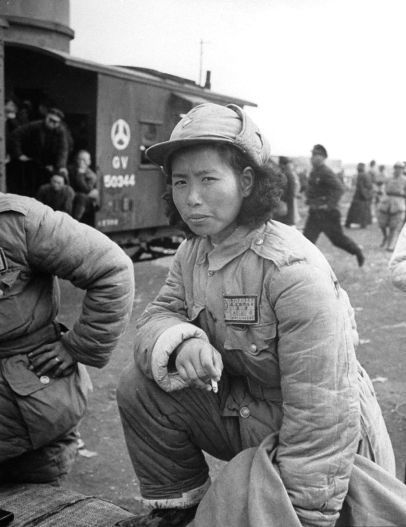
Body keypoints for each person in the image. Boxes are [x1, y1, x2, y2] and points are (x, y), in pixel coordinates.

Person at [116, 103, 395, 527]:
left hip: (330, 452)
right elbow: (159, 315)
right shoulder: (193, 251)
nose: (191, 197)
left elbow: (323, 415)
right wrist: (182, 342)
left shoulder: (292, 270)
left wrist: (301, 517)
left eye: (208, 179)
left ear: (246, 182)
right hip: (249, 414)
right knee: (140, 387)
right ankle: (178, 512)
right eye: (180, 181)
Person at [0, 193, 134, 483]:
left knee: (39, 500)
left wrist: (77, 346)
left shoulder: (18, 223)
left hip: (30, 413)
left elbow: (112, 269)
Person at [303, 144, 365, 267]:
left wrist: (328, 205)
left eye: (315, 155)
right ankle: (304, 267)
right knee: (306, 242)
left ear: (322, 157)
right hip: (315, 213)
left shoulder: (325, 172)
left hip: (328, 215)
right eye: (312, 155)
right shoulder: (315, 172)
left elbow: (339, 188)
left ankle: (357, 251)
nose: (312, 158)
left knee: (338, 240)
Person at [9, 108, 70, 197]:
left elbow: (63, 149)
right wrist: (19, 154)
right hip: (32, 161)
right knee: (28, 188)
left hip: (48, 164)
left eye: (55, 122)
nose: (52, 123)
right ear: (46, 117)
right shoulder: (35, 126)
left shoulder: (61, 132)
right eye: (50, 120)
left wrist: (61, 166)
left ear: (59, 123)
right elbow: (16, 135)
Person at [378, 161, 406, 251]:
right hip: (386, 202)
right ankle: (385, 237)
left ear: (403, 169)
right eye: (396, 168)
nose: (398, 170)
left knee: (394, 226)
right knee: (382, 223)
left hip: (399, 203)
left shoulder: (404, 180)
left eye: (400, 168)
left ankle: (391, 245)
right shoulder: (389, 178)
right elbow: (382, 187)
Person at [69, 150, 100, 225]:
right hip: (71, 194)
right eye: (80, 159)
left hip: (84, 198)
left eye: (84, 160)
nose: (81, 162)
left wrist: (80, 174)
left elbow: (86, 189)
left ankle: (74, 222)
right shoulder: (70, 169)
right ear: (76, 160)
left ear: (89, 162)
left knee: (81, 197)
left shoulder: (91, 175)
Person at [273, 156, 300, 226]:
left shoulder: (287, 175)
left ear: (282, 165)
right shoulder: (290, 174)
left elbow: (290, 192)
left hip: (285, 205)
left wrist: (282, 200)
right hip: (287, 204)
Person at [345, 162, 373, 228]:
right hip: (362, 194)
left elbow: (361, 186)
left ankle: (350, 223)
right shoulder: (365, 174)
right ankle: (363, 224)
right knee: (363, 211)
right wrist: (367, 195)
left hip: (360, 195)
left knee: (356, 210)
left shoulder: (361, 175)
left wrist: (365, 195)